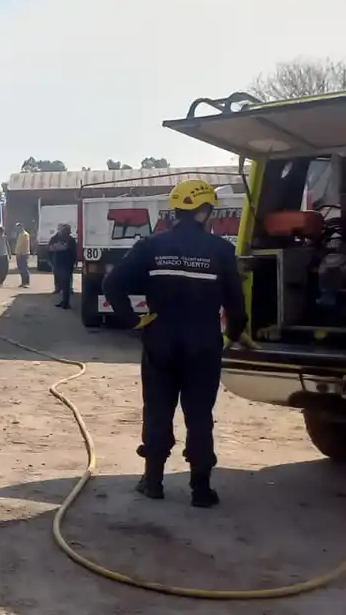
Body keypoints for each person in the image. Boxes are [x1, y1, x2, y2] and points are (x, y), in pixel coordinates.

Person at [102, 179, 247, 508]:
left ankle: (153, 481)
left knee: (157, 410)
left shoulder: (150, 246)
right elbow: (237, 309)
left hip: (160, 342)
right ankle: (201, 489)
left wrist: (134, 321)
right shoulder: (221, 251)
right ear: (205, 211)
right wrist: (232, 337)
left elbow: (112, 284)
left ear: (178, 210)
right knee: (199, 415)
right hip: (203, 345)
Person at [47, 223, 79, 309]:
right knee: (63, 283)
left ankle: (66, 303)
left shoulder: (70, 240)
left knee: (66, 284)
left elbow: (73, 252)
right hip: (60, 264)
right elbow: (50, 249)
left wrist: (74, 262)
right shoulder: (57, 238)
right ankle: (64, 301)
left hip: (65, 264)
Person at [12, 223, 33, 288]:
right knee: (21, 269)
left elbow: (23, 245)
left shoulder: (25, 235)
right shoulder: (20, 234)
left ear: (21, 227)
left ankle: (26, 283)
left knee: (24, 268)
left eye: (18, 227)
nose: (17, 229)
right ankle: (23, 282)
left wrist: (20, 253)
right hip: (19, 253)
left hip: (23, 254)